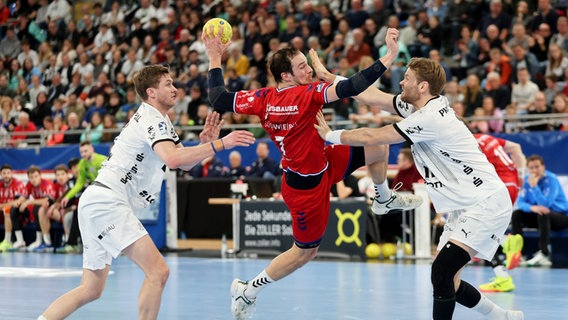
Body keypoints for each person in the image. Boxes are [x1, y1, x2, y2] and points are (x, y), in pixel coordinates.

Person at [204, 27, 422, 319]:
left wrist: (214, 57)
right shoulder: (308, 95)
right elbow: (353, 86)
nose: (309, 69)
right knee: (305, 253)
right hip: (305, 189)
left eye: (307, 64)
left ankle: (382, 199)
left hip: (324, 159)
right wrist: (388, 57)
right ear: (286, 76)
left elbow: (218, 97)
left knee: (377, 145)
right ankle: (248, 289)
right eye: (302, 66)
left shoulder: (262, 98)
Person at [37, 65, 255, 320]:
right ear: (151, 92)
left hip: (97, 201)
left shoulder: (160, 120)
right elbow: (173, 159)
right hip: (108, 202)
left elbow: (184, 162)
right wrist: (222, 143)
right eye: (168, 84)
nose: (175, 89)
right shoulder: (152, 119)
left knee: (91, 289)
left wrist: (205, 144)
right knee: (158, 272)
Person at [314, 57, 523, 319]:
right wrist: (330, 78)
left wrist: (331, 136)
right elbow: (373, 96)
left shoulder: (431, 118)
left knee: (442, 271)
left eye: (407, 79)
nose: (401, 81)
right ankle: (502, 317)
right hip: (464, 206)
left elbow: (374, 137)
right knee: (448, 282)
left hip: (485, 202)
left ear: (422, 86)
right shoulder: (418, 108)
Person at [471, 134, 526, 293]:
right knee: (483, 232)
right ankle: (502, 277)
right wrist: (521, 176)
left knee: (478, 232)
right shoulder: (485, 137)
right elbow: (516, 148)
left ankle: (505, 243)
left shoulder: (464, 142)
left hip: (497, 189)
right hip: (512, 186)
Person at [511, 154, 568, 267]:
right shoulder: (526, 180)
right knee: (517, 214)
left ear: (543, 167)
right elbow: (521, 202)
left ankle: (544, 254)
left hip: (560, 217)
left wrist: (534, 187)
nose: (534, 170)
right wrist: (532, 207)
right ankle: (518, 254)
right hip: (539, 216)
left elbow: (546, 204)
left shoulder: (551, 179)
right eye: (531, 168)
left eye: (537, 167)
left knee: (543, 212)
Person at [11, 165, 55, 251]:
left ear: (40, 176)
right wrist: (19, 202)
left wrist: (28, 202)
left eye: (36, 176)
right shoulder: (29, 185)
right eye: (31, 177)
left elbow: (47, 200)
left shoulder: (47, 183)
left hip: (52, 210)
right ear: (28, 178)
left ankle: (44, 242)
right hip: (41, 209)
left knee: (38, 207)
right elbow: (24, 196)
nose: (34, 179)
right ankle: (20, 241)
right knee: (14, 209)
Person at [0, 164, 27, 252]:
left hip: (19, 212)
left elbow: (20, 200)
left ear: (11, 174)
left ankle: (7, 241)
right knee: (6, 209)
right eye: (4, 173)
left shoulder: (18, 183)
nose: (6, 175)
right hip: (3, 212)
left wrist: (4, 205)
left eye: (8, 173)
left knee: (8, 210)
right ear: (1, 174)